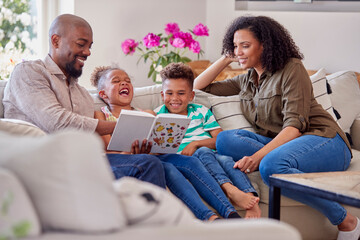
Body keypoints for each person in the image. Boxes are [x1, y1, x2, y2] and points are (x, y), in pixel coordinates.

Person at [193, 15, 359, 240]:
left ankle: (346, 221)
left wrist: (258, 156)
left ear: (265, 45)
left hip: (324, 141)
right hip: (287, 145)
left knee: (271, 165)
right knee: (224, 140)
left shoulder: (292, 68)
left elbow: (295, 127)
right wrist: (226, 58)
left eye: (245, 45)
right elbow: (198, 87)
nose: (239, 51)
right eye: (235, 46)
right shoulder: (247, 78)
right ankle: (278, 163)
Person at [2, 14, 166, 189]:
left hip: (83, 160)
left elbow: (92, 142)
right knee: (145, 165)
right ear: (56, 41)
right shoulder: (29, 72)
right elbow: (58, 123)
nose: (88, 52)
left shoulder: (83, 95)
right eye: (81, 44)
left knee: (148, 161)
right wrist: (125, 125)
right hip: (41, 161)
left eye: (89, 47)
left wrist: (131, 150)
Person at [90, 65, 243, 221]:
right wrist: (130, 153)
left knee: (190, 161)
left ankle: (230, 213)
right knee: (168, 168)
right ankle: (210, 218)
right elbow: (110, 149)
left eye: (127, 81)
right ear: (103, 94)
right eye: (116, 81)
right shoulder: (101, 115)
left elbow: (159, 145)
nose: (124, 83)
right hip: (131, 159)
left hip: (155, 156)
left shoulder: (148, 113)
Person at [155, 62, 261, 218]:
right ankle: (230, 191)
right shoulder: (158, 115)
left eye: (181, 93)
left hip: (210, 155)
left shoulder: (200, 111)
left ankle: (250, 199)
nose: (175, 98)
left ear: (191, 95)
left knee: (227, 160)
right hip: (184, 159)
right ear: (162, 95)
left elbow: (219, 139)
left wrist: (196, 143)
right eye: (169, 93)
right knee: (206, 153)